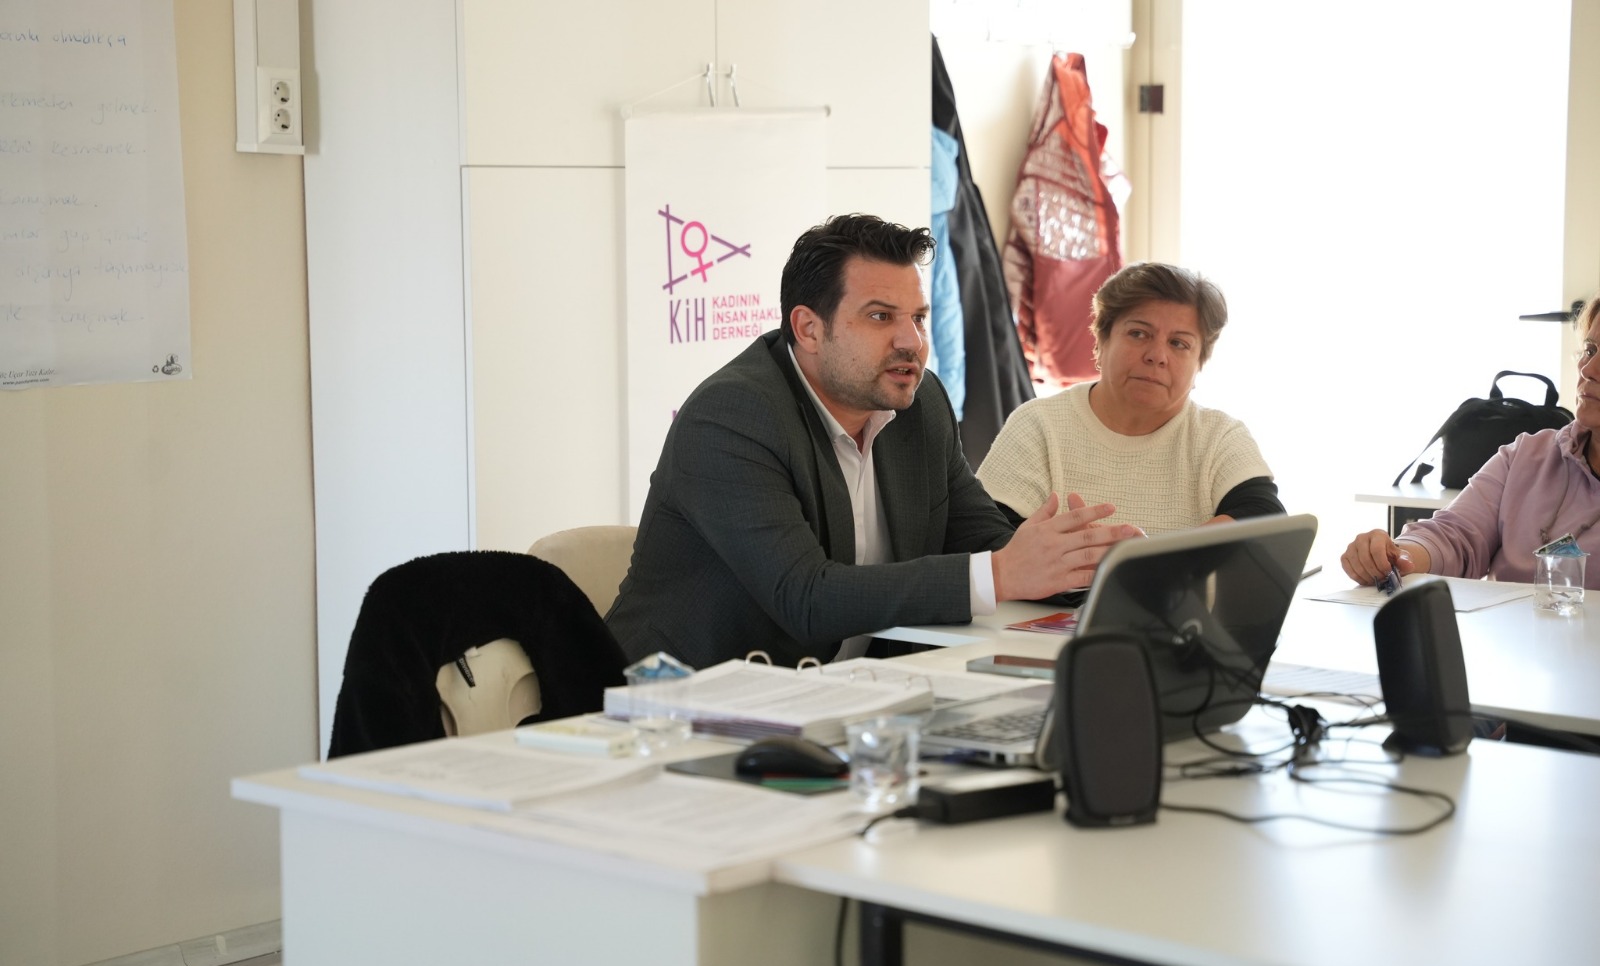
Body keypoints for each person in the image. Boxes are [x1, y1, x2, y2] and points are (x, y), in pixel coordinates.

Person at [606, 214, 1142, 669]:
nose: (912, 341)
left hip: (848, 697)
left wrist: (1081, 564)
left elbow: (981, 538)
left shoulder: (918, 402)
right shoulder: (732, 418)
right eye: (881, 317)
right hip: (674, 708)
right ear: (808, 329)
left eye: (918, 318)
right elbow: (806, 598)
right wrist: (1001, 573)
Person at [977, 262, 1283, 536]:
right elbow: (986, 537)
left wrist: (1142, 560)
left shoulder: (1220, 436)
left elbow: (1266, 523)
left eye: (1178, 343)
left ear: (1199, 362)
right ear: (1101, 341)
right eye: (1138, 334)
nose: (1157, 356)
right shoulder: (1037, 424)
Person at [1342, 292, 1600, 588]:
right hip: (1507, 620)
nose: (1588, 370)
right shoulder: (1527, 455)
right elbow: (1456, 535)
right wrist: (1397, 555)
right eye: (1590, 350)